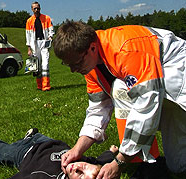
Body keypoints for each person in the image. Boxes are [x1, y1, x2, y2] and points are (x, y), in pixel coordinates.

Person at [52, 20, 186, 178]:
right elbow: (97, 110)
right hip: (156, 93)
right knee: (177, 166)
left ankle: (142, 161)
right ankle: (144, 161)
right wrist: (77, 149)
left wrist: (120, 161)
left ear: (92, 48)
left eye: (76, 63)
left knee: (120, 88)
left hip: (176, 81)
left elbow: (146, 105)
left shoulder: (125, 49)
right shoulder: (89, 67)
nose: (74, 70)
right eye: (68, 65)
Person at [0, 128, 118, 179]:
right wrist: (112, 153)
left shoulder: (45, 176)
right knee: (37, 136)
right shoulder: (85, 161)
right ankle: (30, 136)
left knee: (0, 150)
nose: (76, 168)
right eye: (83, 166)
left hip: (23, 154)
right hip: (45, 141)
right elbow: (100, 161)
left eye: (79, 175)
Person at [25, 1, 55, 91]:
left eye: (38, 8)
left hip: (44, 43)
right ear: (32, 9)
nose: (36, 10)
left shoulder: (46, 18)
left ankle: (46, 86)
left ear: (40, 8)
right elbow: (28, 35)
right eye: (35, 8)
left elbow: (51, 30)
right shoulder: (29, 21)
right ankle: (39, 85)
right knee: (36, 66)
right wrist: (29, 49)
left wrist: (50, 38)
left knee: (45, 64)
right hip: (34, 44)